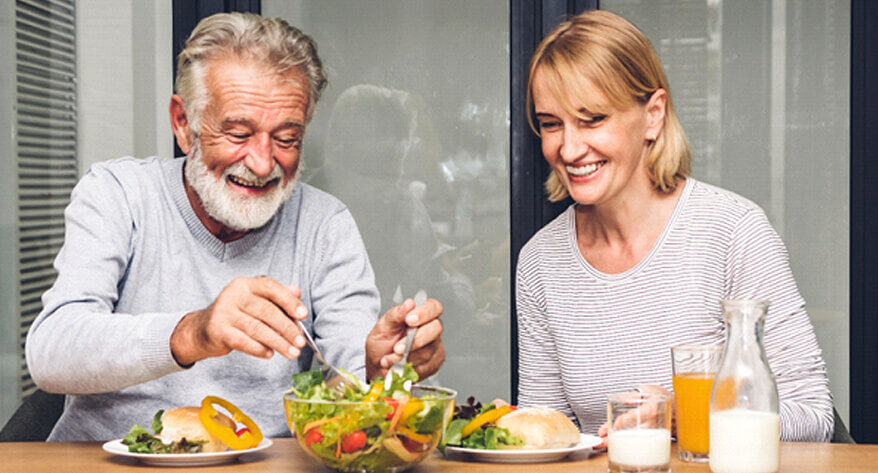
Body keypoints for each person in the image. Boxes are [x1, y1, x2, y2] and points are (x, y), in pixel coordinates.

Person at [25, 12, 445, 441]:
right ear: (183, 124)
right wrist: (194, 332)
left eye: (286, 139)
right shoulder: (118, 193)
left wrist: (378, 369)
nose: (263, 163)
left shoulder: (324, 224)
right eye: (239, 133)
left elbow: (350, 380)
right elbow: (51, 351)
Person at [515, 10, 833, 442]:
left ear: (654, 115)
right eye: (552, 124)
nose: (569, 148)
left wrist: (685, 413)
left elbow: (813, 416)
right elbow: (547, 436)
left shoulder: (734, 233)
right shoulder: (540, 261)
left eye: (593, 119)